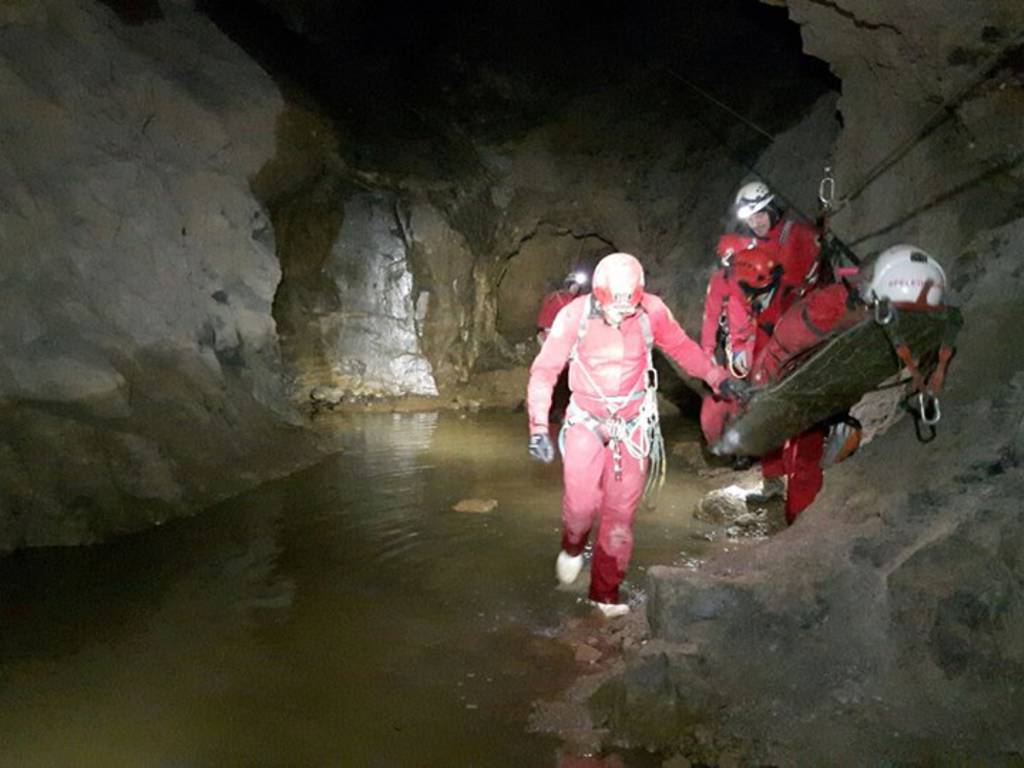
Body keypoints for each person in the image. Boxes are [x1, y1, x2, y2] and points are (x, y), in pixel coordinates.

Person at [527, 252, 748, 617]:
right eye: (614, 308)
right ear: (598, 295)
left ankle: (604, 596)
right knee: (580, 508)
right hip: (585, 421)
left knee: (619, 519)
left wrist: (718, 378)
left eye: (627, 308)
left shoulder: (652, 312)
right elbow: (544, 371)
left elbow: (682, 349)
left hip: (631, 428)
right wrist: (538, 426)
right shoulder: (574, 316)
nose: (620, 314)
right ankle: (572, 545)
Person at [699, 180, 827, 524]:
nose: (756, 222)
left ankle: (802, 500)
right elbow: (731, 303)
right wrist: (731, 348)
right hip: (764, 338)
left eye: (760, 214)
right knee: (764, 404)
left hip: (800, 333)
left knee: (802, 410)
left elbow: (812, 279)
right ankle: (773, 480)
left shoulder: (798, 236)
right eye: (750, 218)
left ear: (772, 208)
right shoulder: (751, 248)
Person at [537, 270, 588, 345]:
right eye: (574, 285)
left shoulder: (570, 298)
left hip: (552, 332)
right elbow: (570, 317)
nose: (576, 288)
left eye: (577, 286)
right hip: (548, 333)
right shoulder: (560, 298)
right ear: (568, 286)